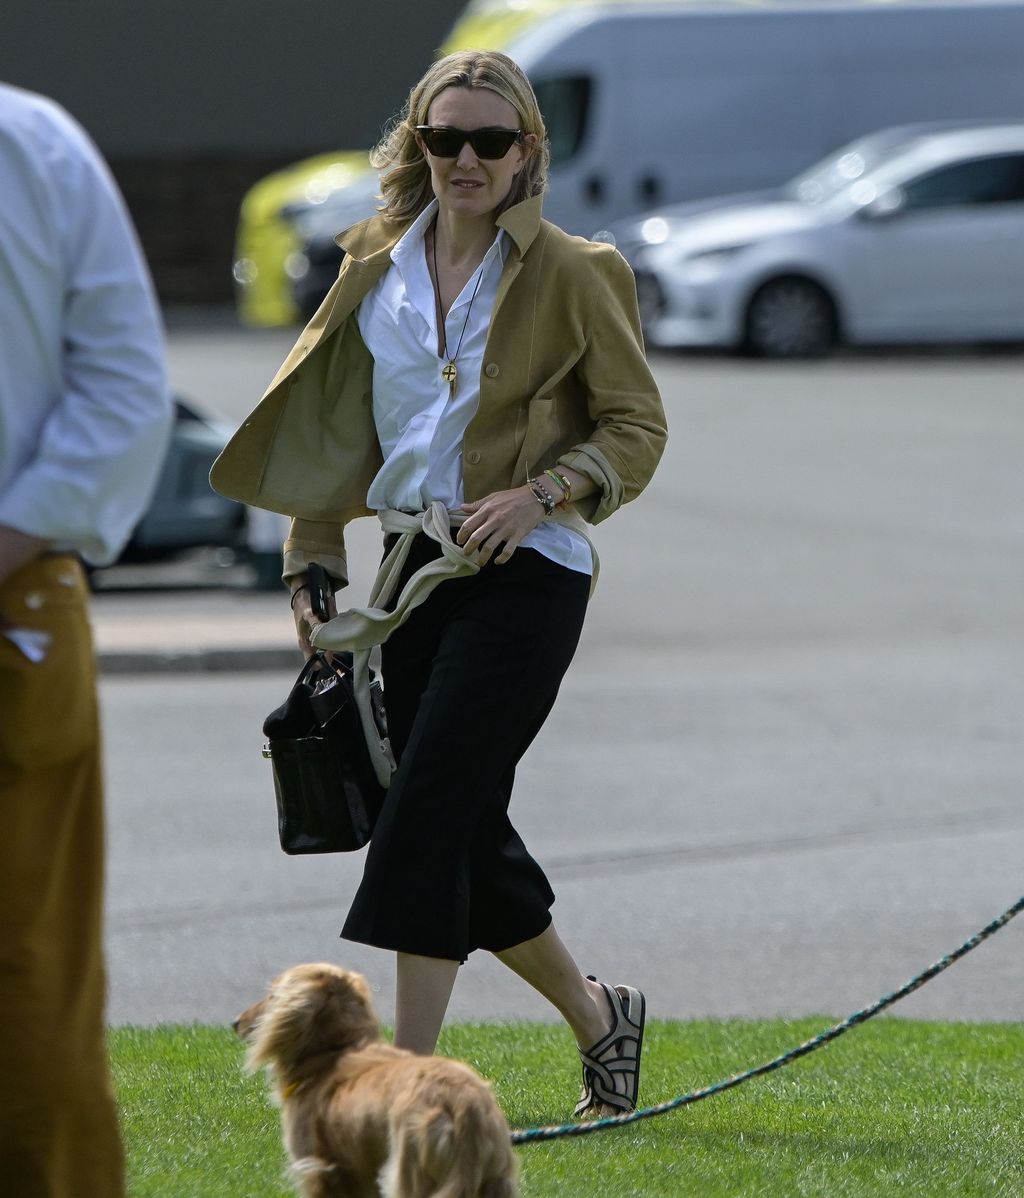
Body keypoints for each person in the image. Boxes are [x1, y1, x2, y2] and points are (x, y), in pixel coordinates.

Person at [211, 50, 667, 1118]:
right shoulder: (371, 261)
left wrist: (545, 492)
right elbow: (326, 435)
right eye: (444, 138)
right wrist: (311, 577)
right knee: (456, 820)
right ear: (416, 145)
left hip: (526, 573)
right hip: (406, 577)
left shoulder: (573, 269)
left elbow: (636, 426)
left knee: (424, 812)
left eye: (490, 141)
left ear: (526, 154)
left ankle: (405, 1089)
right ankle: (602, 1019)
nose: (465, 158)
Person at [0, 84, 171, 1195]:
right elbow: (124, 392)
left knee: (32, 986)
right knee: (33, 971)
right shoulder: (35, 140)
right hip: (24, 595)